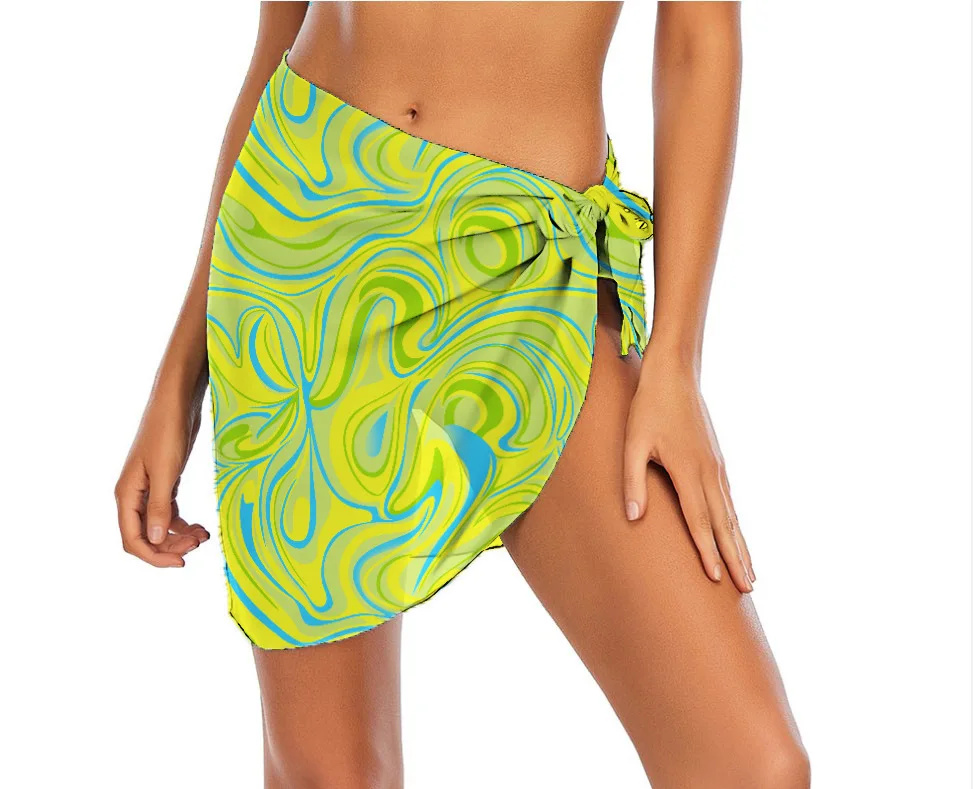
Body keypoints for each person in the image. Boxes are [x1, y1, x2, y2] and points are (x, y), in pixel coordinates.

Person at [114, 2, 809, 787]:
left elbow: (697, 36)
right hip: (306, 240)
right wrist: (181, 374)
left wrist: (675, 363)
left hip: (529, 267)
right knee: (332, 775)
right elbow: (281, 33)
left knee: (750, 763)